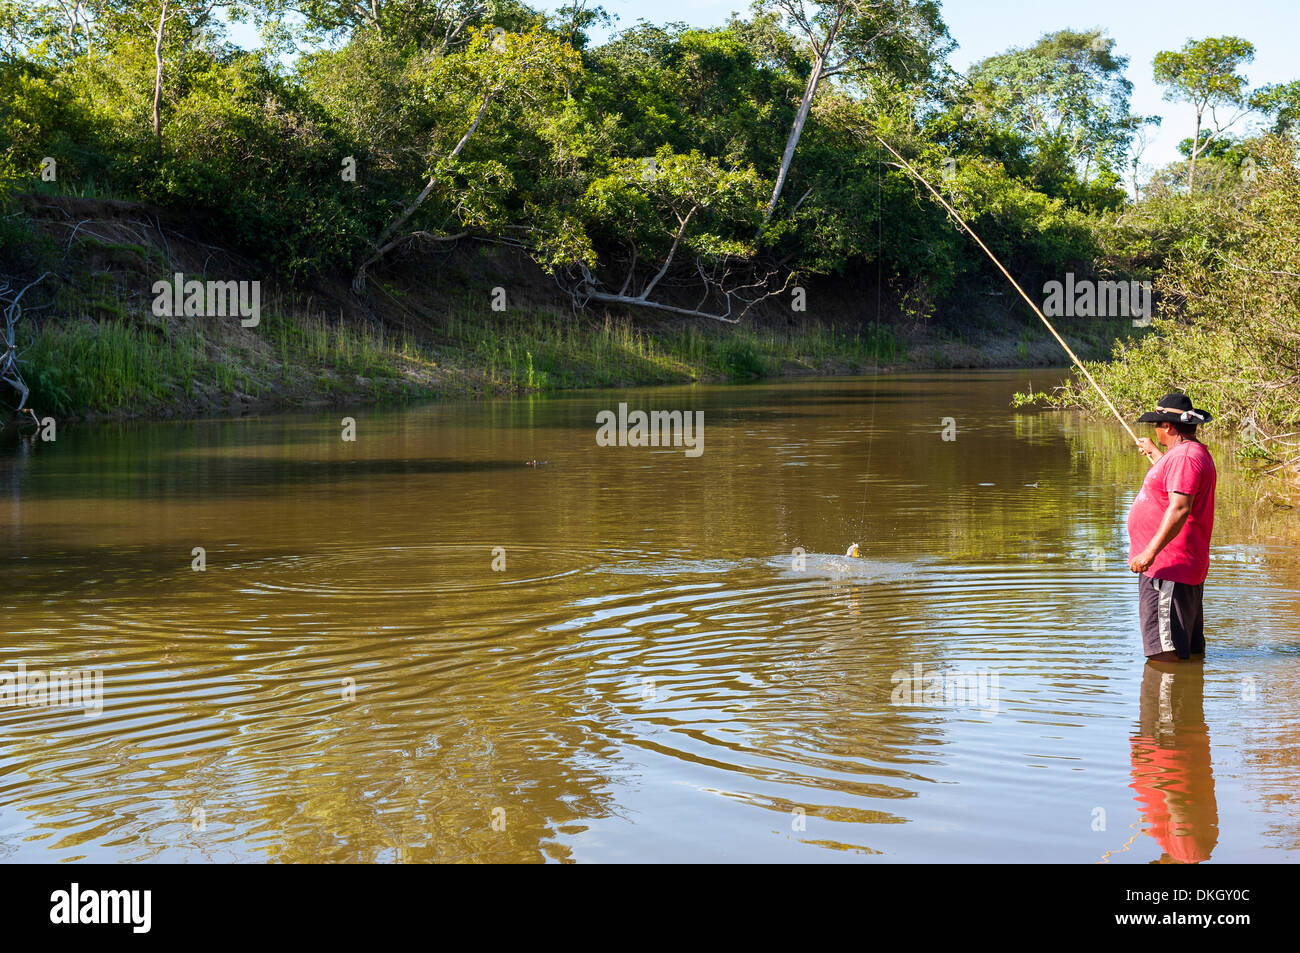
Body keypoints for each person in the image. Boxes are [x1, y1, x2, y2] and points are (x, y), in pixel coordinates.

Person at [1127, 393, 1216, 662]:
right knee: (1181, 651)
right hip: (1177, 568)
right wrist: (1156, 453)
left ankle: (1166, 702)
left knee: (1165, 656)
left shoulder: (1184, 457)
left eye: (1157, 424)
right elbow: (1174, 486)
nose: (1155, 428)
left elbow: (1179, 508)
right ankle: (1185, 699)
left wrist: (1148, 553)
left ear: (1168, 426)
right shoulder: (1183, 455)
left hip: (1167, 568)